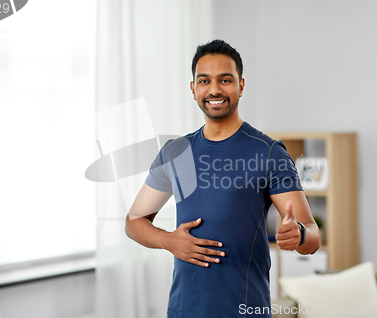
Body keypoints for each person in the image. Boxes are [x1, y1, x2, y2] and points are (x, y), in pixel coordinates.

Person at [125, 39, 320, 318]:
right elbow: (134, 222)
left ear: (241, 85)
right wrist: (169, 241)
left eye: (225, 80)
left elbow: (313, 236)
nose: (214, 89)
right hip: (183, 310)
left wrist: (299, 233)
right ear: (193, 89)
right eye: (204, 81)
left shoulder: (268, 152)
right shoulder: (175, 152)